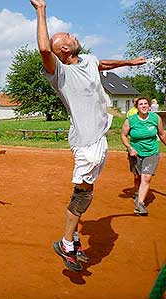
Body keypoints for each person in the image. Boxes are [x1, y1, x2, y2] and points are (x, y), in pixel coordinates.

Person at [29, 0, 146, 272]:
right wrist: (41, 9)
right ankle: (66, 242)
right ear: (65, 49)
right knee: (82, 195)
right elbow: (45, 48)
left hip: (100, 140)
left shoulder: (89, 61)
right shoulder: (59, 72)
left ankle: (73, 237)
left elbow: (102, 63)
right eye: (68, 36)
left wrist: (128, 62)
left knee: (86, 193)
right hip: (85, 142)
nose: (73, 34)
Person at [121, 97, 166, 215]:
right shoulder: (130, 120)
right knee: (137, 177)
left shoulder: (156, 118)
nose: (144, 106)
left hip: (152, 152)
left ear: (149, 106)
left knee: (146, 178)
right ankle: (137, 192)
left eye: (146, 104)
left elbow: (162, 134)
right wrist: (130, 148)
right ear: (137, 107)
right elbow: (124, 136)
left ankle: (140, 204)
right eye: (141, 104)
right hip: (135, 153)